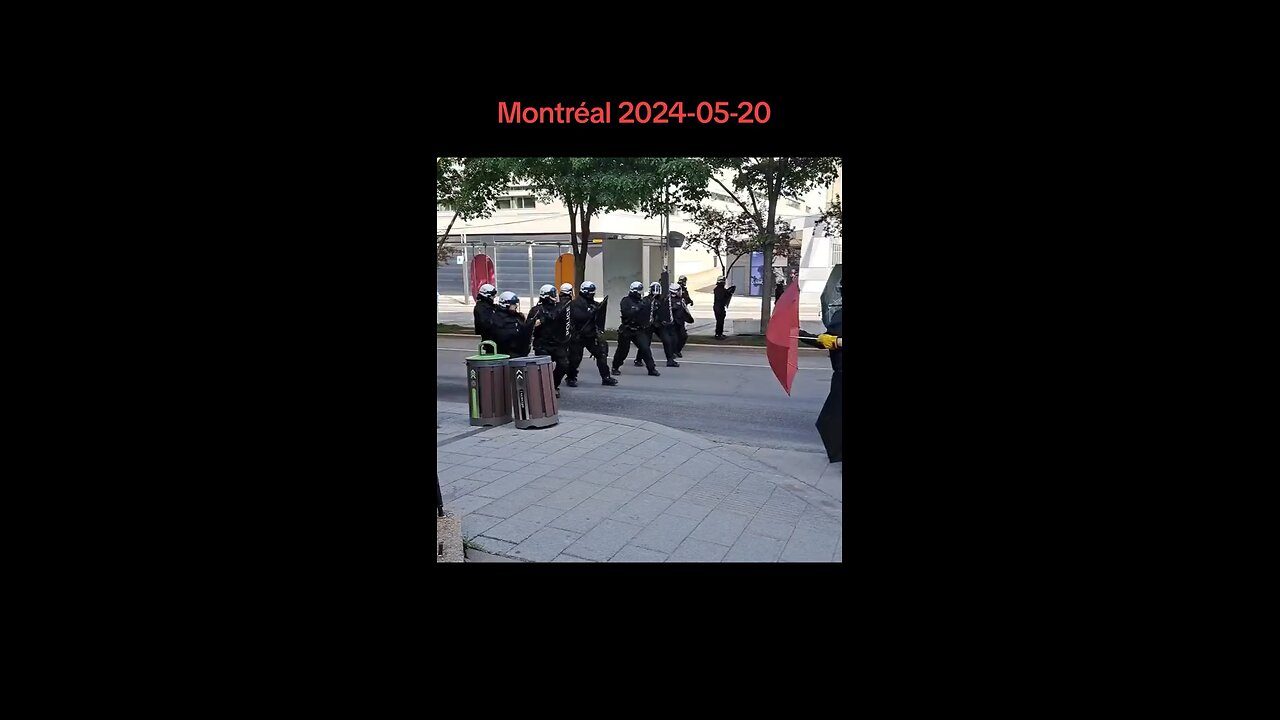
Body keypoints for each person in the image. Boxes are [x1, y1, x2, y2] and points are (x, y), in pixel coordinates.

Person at [566, 281, 618, 387]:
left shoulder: (593, 304)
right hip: (578, 336)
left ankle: (606, 377)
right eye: (590, 292)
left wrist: (598, 310)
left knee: (601, 354)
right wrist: (591, 312)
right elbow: (578, 316)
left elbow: (598, 318)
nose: (592, 294)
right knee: (575, 358)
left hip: (591, 336)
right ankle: (571, 378)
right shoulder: (574, 304)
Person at [529, 284, 571, 397]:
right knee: (543, 368)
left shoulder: (560, 308)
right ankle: (543, 387)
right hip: (542, 344)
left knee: (564, 365)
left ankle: (553, 385)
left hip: (558, 344)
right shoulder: (536, 310)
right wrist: (536, 323)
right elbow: (528, 326)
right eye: (553, 295)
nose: (556, 297)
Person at [613, 281, 660, 376]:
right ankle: (615, 367)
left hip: (638, 329)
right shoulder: (626, 301)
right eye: (638, 291)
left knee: (645, 348)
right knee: (623, 350)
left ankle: (651, 369)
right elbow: (627, 313)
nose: (640, 293)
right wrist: (638, 308)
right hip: (627, 329)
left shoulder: (642, 301)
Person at [491, 291, 532, 358]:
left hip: (520, 354)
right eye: (513, 304)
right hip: (507, 355)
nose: (516, 306)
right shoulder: (498, 318)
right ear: (505, 304)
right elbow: (503, 336)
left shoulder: (517, 317)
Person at [670, 283, 694, 358]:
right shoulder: (668, 301)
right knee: (674, 338)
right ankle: (672, 352)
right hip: (672, 323)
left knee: (683, 336)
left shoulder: (681, 300)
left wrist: (689, 319)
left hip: (680, 323)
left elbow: (685, 311)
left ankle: (677, 350)